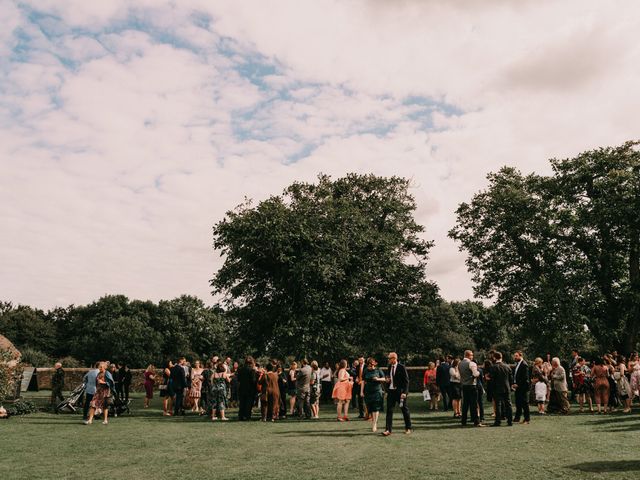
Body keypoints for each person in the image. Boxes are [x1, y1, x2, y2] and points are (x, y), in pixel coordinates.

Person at [382, 352, 412, 436]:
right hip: (391, 392)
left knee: (404, 410)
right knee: (389, 411)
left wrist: (405, 393)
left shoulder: (401, 367)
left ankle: (408, 428)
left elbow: (406, 381)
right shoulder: (389, 367)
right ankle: (388, 430)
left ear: (394, 358)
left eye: (389, 358)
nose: (388, 360)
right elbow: (388, 377)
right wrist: (387, 380)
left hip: (400, 393)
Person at [488, 351, 513, 427]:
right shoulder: (507, 366)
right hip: (506, 387)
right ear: (501, 357)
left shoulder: (493, 367)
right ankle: (510, 421)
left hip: (497, 388)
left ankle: (498, 421)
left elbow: (492, 380)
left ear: (495, 358)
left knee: (498, 405)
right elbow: (510, 379)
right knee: (508, 404)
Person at [459, 350, 483, 427]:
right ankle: (476, 422)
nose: (472, 356)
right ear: (469, 355)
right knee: (474, 404)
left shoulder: (460, 363)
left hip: (464, 385)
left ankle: (463, 421)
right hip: (472, 385)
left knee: (465, 404)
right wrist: (479, 372)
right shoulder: (471, 363)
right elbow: (475, 374)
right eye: (472, 355)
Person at [362, 357, 386, 433]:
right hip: (368, 392)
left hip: (377, 391)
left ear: (375, 363)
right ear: (367, 365)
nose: (371, 367)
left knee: (376, 408)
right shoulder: (365, 371)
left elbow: (385, 379)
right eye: (369, 365)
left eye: (372, 365)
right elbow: (363, 381)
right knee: (371, 408)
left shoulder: (378, 370)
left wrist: (378, 379)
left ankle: (374, 424)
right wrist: (361, 391)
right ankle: (373, 421)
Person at [512, 351, 530, 424]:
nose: (515, 357)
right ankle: (517, 417)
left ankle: (527, 419)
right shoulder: (517, 364)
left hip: (523, 387)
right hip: (518, 387)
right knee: (518, 403)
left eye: (516, 356)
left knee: (524, 403)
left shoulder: (524, 365)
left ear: (520, 356)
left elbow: (525, 378)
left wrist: (518, 384)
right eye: (514, 356)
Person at [237, 356, 258, 421]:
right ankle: (247, 416)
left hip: (242, 388)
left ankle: (241, 416)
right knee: (249, 403)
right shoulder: (252, 370)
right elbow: (253, 380)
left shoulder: (240, 369)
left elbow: (238, 379)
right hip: (250, 389)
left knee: (242, 403)